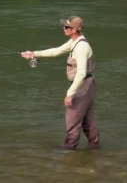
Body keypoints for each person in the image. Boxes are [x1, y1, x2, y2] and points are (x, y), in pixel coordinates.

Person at [21, 16, 100, 149]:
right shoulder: (75, 41)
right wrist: (34, 54)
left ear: (74, 30)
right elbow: (56, 51)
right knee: (88, 122)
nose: (63, 28)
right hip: (88, 84)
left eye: (66, 27)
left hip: (82, 86)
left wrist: (70, 94)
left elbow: (80, 73)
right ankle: (95, 149)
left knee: (72, 121)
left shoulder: (81, 46)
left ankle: (69, 152)